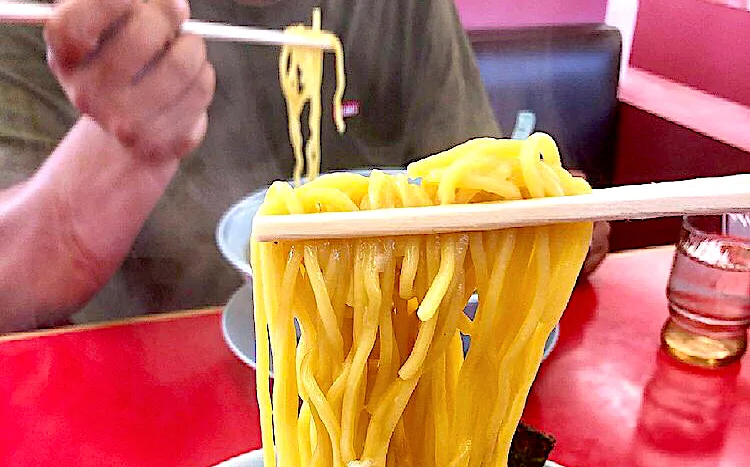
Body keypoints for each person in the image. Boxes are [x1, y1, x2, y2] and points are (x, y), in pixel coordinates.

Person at [0, 0, 507, 332]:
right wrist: (76, 211)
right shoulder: (66, 13)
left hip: (389, 379)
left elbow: (482, 203)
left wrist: (550, 220)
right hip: (137, 411)